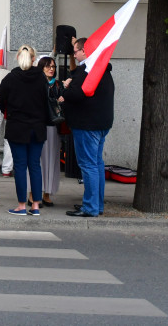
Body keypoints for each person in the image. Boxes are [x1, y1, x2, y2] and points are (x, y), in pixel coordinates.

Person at [62, 37, 114, 217]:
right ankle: (96, 204)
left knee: (89, 165)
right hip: (101, 124)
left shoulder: (88, 71)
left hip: (87, 125)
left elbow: (76, 94)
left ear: (85, 51)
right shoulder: (103, 70)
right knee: (97, 164)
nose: (74, 55)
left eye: (75, 51)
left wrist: (67, 88)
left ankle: (90, 207)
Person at [0, 45, 48, 216]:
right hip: (37, 127)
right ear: (34, 59)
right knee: (35, 165)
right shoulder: (41, 77)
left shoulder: (11, 77)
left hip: (17, 127)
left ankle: (21, 205)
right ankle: (36, 206)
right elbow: (46, 101)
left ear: (18, 57)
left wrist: (10, 109)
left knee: (19, 166)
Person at [37, 55, 62, 206]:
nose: (51, 69)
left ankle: (47, 192)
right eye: (48, 66)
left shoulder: (58, 85)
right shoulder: (38, 83)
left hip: (53, 126)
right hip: (39, 125)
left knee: (52, 160)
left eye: (53, 67)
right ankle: (34, 193)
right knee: (38, 161)